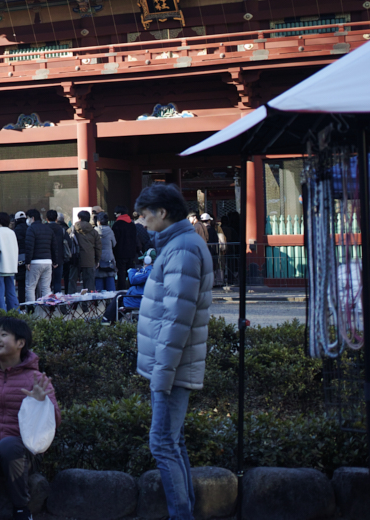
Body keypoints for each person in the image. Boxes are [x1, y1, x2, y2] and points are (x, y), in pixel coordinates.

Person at [134, 184, 214, 520]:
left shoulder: (181, 249)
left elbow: (176, 320)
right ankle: (183, 512)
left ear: (162, 213)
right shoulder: (177, 244)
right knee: (172, 442)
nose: (140, 220)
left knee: (163, 444)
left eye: (143, 213)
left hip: (171, 368)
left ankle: (181, 515)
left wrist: (161, 377)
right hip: (171, 366)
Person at [0, 318, 60, 520]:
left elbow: (54, 421)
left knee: (9, 445)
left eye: (3, 335)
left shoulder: (36, 380)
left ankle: (21, 509)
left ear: (20, 343)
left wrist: (41, 403)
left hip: (22, 453)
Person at [103, 251, 155, 323]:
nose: (142, 262)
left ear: (148, 260)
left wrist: (132, 271)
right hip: (139, 298)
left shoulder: (148, 271)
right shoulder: (153, 270)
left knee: (119, 297)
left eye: (143, 260)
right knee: (119, 298)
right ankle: (110, 321)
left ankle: (106, 320)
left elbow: (133, 279)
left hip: (138, 300)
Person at [23, 210, 55, 302]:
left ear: (32, 218)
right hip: (48, 261)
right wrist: (55, 260)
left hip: (35, 262)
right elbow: (54, 246)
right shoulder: (48, 229)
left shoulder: (31, 229)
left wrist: (27, 261)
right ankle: (48, 311)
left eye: (28, 218)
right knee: (46, 288)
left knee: (30, 287)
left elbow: (29, 247)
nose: (27, 220)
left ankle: (31, 311)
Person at [0, 213, 19, 312]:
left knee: (0, 295)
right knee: (11, 293)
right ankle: (15, 313)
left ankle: (2, 314)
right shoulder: (12, 232)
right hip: (11, 267)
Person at [72, 211, 101, 292]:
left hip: (75, 259)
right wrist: (97, 260)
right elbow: (98, 247)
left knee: (72, 282)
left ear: (79, 218)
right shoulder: (94, 232)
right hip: (89, 259)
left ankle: (73, 302)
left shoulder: (73, 229)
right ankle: (87, 303)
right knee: (89, 283)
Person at [112, 206, 138, 289]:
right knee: (131, 273)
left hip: (120, 254)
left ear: (119, 213)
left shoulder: (117, 225)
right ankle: (132, 290)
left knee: (121, 274)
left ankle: (121, 291)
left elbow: (115, 241)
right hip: (132, 253)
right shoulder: (132, 224)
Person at [95, 212, 118, 292]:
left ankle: (99, 302)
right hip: (109, 257)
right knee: (110, 279)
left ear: (98, 221)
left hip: (98, 258)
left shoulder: (95, 231)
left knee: (98, 280)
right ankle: (111, 301)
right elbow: (114, 244)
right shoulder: (110, 231)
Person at [12, 212, 29, 302]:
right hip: (30, 258)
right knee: (30, 284)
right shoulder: (29, 229)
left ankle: (22, 303)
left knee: (21, 284)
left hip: (19, 258)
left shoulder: (15, 231)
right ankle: (31, 305)